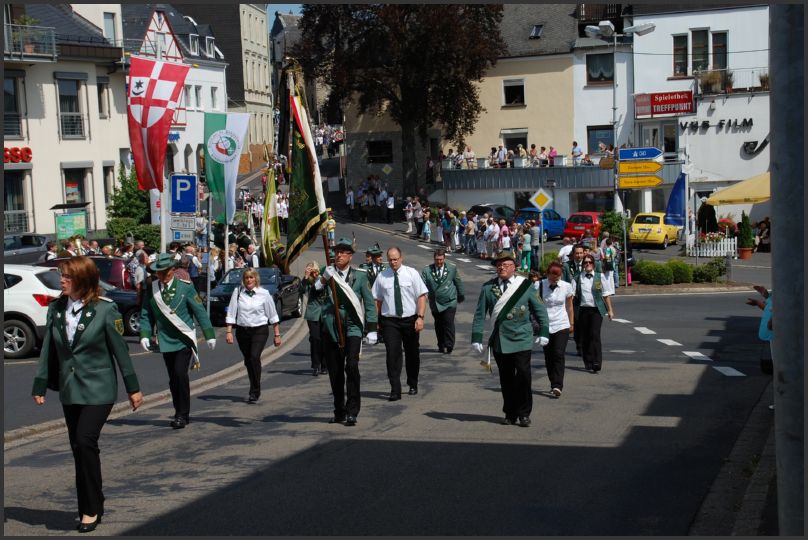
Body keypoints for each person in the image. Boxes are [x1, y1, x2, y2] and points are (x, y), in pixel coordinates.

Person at [32, 256, 143, 533]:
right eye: (62, 276)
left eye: (68, 276)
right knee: (78, 451)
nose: (62, 281)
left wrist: (133, 387)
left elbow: (120, 351)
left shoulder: (105, 310)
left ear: (83, 280)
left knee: (84, 441)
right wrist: (40, 384)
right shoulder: (57, 309)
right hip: (71, 390)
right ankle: (92, 501)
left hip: (99, 388)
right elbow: (49, 350)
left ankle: (90, 510)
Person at [471, 250, 549, 427]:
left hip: (521, 337)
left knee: (523, 375)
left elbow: (540, 310)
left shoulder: (526, 286)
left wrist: (544, 331)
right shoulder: (488, 288)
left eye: (505, 264)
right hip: (500, 339)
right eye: (498, 265)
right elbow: (479, 314)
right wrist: (476, 337)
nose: (501, 267)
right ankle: (510, 412)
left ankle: (524, 413)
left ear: (514, 267)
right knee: (506, 379)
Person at [139, 253, 216, 429]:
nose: (160, 275)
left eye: (164, 272)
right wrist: (144, 333)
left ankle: (182, 414)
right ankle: (180, 411)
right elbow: (146, 313)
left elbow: (199, 311)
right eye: (158, 272)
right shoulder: (152, 289)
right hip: (165, 340)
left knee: (180, 374)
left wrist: (209, 334)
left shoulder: (186, 287)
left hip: (183, 338)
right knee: (173, 378)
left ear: (173, 271)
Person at [315, 238, 377, 426]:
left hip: (352, 326)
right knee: (335, 372)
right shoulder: (327, 274)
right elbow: (314, 295)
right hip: (332, 327)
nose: (338, 255)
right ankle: (339, 411)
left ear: (350, 256)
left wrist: (372, 329)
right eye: (336, 252)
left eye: (342, 252)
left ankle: (352, 411)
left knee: (351, 367)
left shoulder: (360, 276)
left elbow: (368, 303)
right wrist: (323, 279)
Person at [372, 246, 429, 400]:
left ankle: (412, 383)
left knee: (412, 353)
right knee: (392, 354)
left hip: (410, 319)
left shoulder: (411, 273)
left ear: (401, 258)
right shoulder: (382, 277)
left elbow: (422, 296)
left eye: (395, 259)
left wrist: (420, 317)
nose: (393, 262)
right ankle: (395, 389)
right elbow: (377, 300)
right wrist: (376, 322)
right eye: (390, 259)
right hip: (390, 321)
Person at [225, 268, 281, 403]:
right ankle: (253, 385)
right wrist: (229, 332)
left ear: (256, 279)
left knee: (254, 356)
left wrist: (277, 334)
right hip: (242, 331)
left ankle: (255, 390)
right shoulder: (238, 292)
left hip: (259, 330)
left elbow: (272, 314)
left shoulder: (264, 294)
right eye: (246, 278)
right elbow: (232, 312)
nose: (249, 280)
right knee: (248, 360)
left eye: (251, 278)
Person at [536, 261, 574, 397]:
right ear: (547, 274)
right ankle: (553, 380)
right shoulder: (539, 285)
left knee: (558, 353)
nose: (554, 279)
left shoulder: (567, 287)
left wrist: (572, 323)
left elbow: (569, 306)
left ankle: (558, 385)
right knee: (549, 355)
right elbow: (534, 305)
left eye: (557, 277)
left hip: (561, 324)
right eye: (552, 276)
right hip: (545, 325)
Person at [573, 254, 615, 373]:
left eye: (590, 262)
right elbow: (571, 296)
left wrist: (610, 310)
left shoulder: (600, 277)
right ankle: (588, 361)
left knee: (595, 335)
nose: (587, 264)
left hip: (596, 310)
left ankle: (597, 361)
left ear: (593, 264)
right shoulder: (577, 278)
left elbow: (606, 294)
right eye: (585, 263)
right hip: (582, 310)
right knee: (585, 336)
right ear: (582, 265)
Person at [421, 248, 465, 354]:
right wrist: (421, 297)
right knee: (439, 324)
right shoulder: (427, 270)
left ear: (444, 258)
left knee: (448, 322)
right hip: (435, 302)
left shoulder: (452, 268)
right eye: (437, 259)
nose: (439, 262)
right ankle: (441, 344)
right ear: (434, 259)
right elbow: (421, 285)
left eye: (441, 259)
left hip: (450, 301)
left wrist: (460, 295)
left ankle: (449, 345)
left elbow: (458, 281)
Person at [302, 261, 327, 376]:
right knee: (315, 339)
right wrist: (306, 277)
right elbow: (302, 291)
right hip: (313, 314)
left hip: (325, 313)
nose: (312, 272)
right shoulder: (307, 281)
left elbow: (321, 288)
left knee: (324, 340)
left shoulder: (322, 278)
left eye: (313, 269)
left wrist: (318, 276)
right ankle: (316, 365)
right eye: (309, 269)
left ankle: (324, 365)